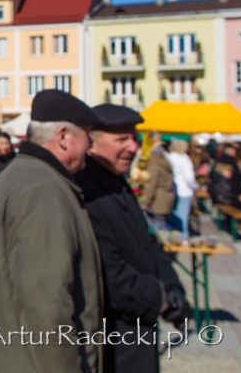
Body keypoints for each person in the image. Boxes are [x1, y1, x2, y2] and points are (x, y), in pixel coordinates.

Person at [0, 90, 103, 373]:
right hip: (26, 362)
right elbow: (47, 306)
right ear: (63, 136)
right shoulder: (43, 188)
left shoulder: (24, 175)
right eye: (88, 136)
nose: (92, 146)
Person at [74, 105, 191, 373]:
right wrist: (160, 299)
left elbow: (147, 242)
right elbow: (107, 271)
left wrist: (173, 287)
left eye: (134, 138)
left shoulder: (117, 181)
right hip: (114, 335)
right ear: (91, 143)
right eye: (121, 140)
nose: (132, 147)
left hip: (139, 331)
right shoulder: (85, 189)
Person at [141, 139, 176, 231]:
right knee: (163, 224)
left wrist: (146, 201)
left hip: (158, 200)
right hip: (167, 198)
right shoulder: (166, 163)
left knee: (158, 228)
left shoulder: (155, 166)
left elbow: (151, 185)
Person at [166, 139, 198, 240]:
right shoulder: (184, 158)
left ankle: (171, 237)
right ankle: (182, 238)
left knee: (172, 215)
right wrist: (196, 187)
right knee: (182, 216)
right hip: (184, 191)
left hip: (170, 190)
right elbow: (189, 178)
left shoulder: (168, 157)